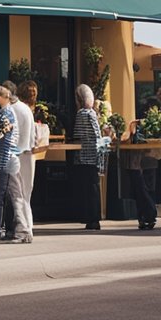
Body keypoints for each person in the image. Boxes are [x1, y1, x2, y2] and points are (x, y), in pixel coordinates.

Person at [0, 84, 28, 243]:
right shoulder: (7, 112)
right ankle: (8, 229)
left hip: (2, 160)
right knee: (6, 197)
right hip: (6, 159)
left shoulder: (6, 113)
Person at [5, 80, 37, 242]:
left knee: (17, 194)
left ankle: (22, 229)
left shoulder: (10, 110)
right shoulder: (26, 109)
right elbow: (33, 136)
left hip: (15, 155)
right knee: (26, 195)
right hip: (29, 155)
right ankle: (28, 228)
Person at [124, 97, 159, 230]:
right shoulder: (145, 124)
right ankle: (148, 216)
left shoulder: (135, 124)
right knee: (147, 189)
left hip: (138, 161)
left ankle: (145, 216)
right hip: (149, 159)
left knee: (141, 189)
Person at [73, 83, 102, 230]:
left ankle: (90, 218)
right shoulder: (92, 113)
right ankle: (95, 218)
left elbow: (77, 136)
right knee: (94, 188)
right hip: (94, 155)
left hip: (84, 156)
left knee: (88, 189)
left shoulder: (81, 114)